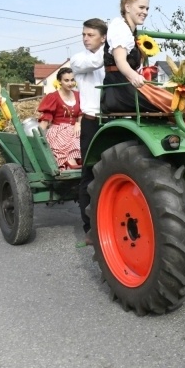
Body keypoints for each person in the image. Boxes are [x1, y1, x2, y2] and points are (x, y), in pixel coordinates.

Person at [70, 18, 107, 237]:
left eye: (90, 35)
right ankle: (89, 227)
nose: (85, 39)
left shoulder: (114, 57)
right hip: (92, 122)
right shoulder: (78, 59)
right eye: (84, 34)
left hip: (114, 120)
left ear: (102, 37)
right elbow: (96, 63)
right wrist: (118, 48)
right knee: (90, 173)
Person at [100, 0, 164, 114]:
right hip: (119, 90)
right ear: (127, 7)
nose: (145, 12)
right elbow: (120, 60)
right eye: (141, 7)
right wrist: (134, 76)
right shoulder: (120, 28)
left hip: (124, 87)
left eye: (147, 9)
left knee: (177, 100)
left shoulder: (129, 31)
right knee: (171, 103)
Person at [37, 67, 82, 169]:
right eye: (66, 80)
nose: (70, 83)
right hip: (58, 129)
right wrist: (38, 134)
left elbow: (81, 113)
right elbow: (46, 117)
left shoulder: (78, 95)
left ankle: (77, 161)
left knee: (79, 136)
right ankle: (70, 162)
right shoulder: (53, 97)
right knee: (66, 138)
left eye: (72, 80)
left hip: (75, 128)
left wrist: (78, 123)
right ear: (59, 82)